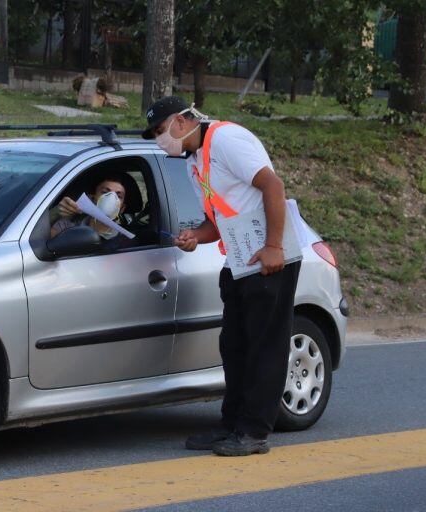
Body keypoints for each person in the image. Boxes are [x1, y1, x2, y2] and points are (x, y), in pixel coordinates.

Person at [142, 96, 301, 457]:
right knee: (234, 345)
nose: (159, 139)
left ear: (181, 122)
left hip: (269, 258)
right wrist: (195, 236)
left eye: (159, 131)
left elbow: (272, 187)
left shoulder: (227, 140)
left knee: (264, 346)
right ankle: (231, 423)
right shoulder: (193, 162)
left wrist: (274, 247)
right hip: (239, 260)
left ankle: (254, 431)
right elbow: (217, 219)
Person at [50, 174, 133, 252]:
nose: (111, 198)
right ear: (92, 199)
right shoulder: (67, 226)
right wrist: (55, 213)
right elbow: (40, 241)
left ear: (122, 208)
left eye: (118, 196)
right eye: (105, 192)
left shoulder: (125, 242)